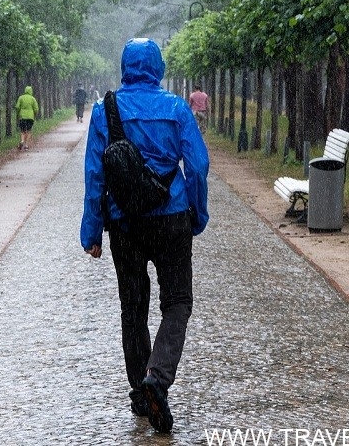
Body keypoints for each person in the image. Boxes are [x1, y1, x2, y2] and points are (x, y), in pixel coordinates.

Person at [80, 38, 209, 433]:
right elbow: (198, 166)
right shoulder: (175, 108)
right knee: (178, 302)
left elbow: (94, 176)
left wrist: (92, 230)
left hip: (126, 224)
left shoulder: (106, 110)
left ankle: (141, 391)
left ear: (124, 66)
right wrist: (197, 214)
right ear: (159, 67)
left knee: (133, 308)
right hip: (171, 219)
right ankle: (158, 376)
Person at [15, 85, 39, 150]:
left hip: (22, 117)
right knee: (28, 131)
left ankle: (22, 141)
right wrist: (35, 115)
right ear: (31, 91)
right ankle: (26, 145)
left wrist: (19, 112)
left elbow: (17, 107)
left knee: (23, 131)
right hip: (30, 117)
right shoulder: (33, 99)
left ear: (25, 90)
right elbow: (36, 109)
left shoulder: (21, 97)